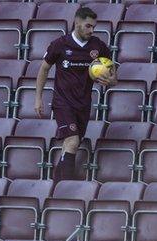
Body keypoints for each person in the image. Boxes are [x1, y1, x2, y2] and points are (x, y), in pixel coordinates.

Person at [34, 7, 117, 182]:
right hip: (62, 102)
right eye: (88, 26)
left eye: (94, 27)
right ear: (77, 23)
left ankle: (56, 188)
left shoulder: (98, 46)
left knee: (70, 145)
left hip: (83, 104)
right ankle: (67, 190)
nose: (92, 30)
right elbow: (44, 68)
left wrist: (110, 81)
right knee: (72, 141)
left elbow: (114, 76)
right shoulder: (60, 44)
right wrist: (38, 98)